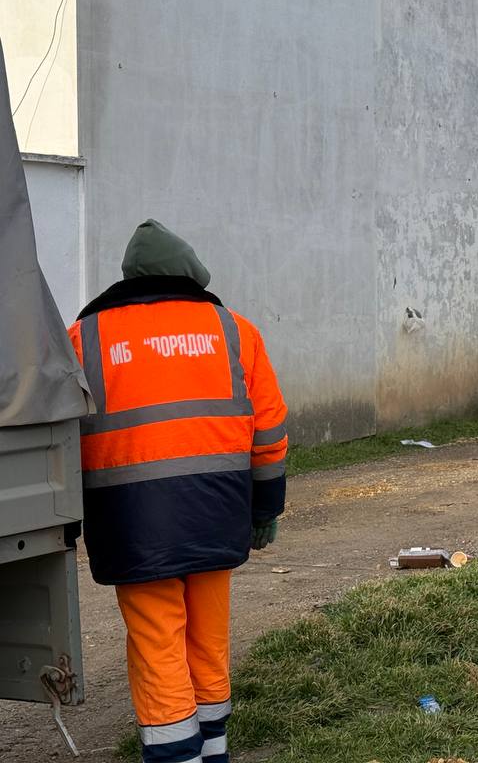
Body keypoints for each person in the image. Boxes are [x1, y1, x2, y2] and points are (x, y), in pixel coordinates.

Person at [67, 220, 288, 763]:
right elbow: (270, 431)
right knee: (207, 640)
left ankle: (175, 755)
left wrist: (66, 519)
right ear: (190, 272)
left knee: (158, 642)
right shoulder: (234, 330)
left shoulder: (84, 337)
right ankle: (213, 750)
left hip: (129, 523)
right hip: (218, 514)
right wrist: (265, 509)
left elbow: (59, 435)